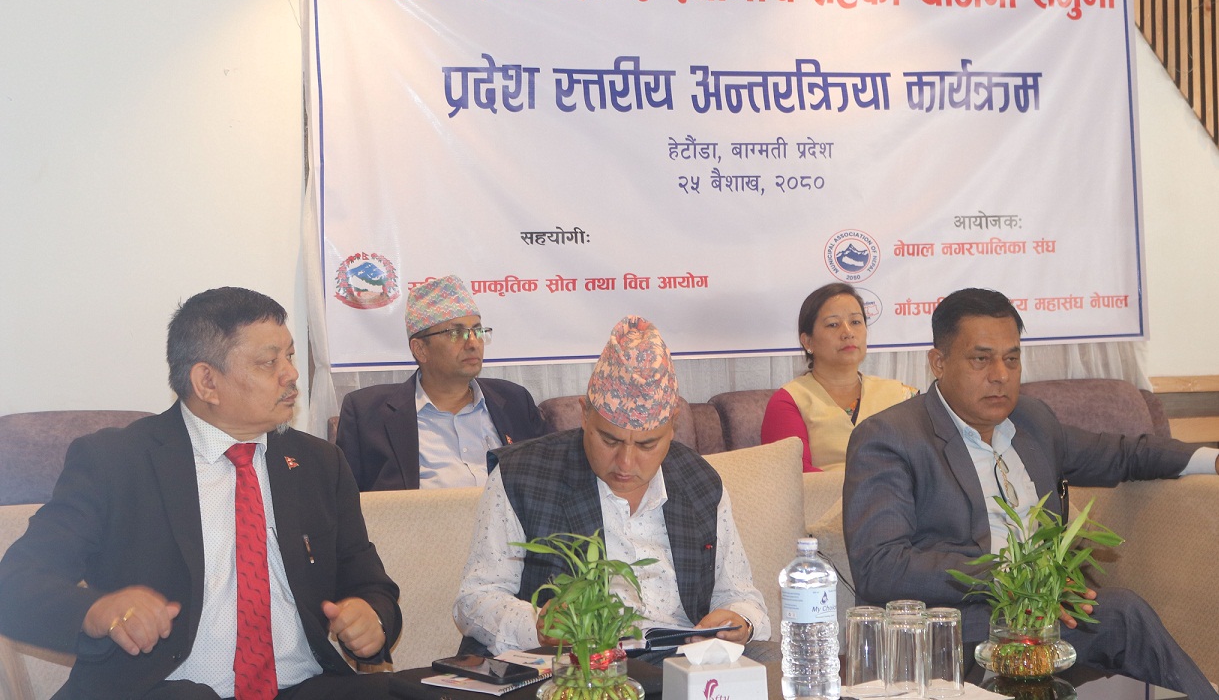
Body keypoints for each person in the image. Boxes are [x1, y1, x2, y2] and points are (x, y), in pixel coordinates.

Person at [0, 287, 402, 700]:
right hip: (164, 690)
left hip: (302, 686)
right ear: (207, 381)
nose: (290, 374)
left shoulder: (319, 463)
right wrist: (96, 610)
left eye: (290, 356)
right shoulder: (115, 462)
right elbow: (15, 584)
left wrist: (372, 617)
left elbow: (371, 583)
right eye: (269, 362)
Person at [842, 287, 1219, 697]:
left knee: (1121, 616)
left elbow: (1121, 453)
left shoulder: (1032, 421)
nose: (1000, 375)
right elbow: (880, 567)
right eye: (981, 359)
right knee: (1123, 612)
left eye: (1012, 359)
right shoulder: (891, 437)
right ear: (939, 362)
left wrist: (1211, 459)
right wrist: (1012, 577)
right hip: (956, 634)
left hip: (1046, 621)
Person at [453, 316, 770, 659]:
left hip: (684, 665)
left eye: (647, 445)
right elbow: (475, 600)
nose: (625, 463)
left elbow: (740, 594)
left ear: (672, 427)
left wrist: (741, 620)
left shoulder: (700, 481)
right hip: (578, 668)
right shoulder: (522, 475)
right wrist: (537, 625)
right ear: (584, 414)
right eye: (609, 440)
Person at [336, 274, 547, 490]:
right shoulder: (367, 414)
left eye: (477, 331)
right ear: (420, 350)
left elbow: (548, 480)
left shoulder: (515, 401)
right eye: (456, 333)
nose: (473, 343)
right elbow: (346, 499)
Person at [761, 283, 917, 471]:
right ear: (808, 341)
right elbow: (791, 477)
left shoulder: (902, 396)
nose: (848, 333)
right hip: (823, 492)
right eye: (833, 324)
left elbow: (928, 464)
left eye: (856, 322)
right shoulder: (789, 401)